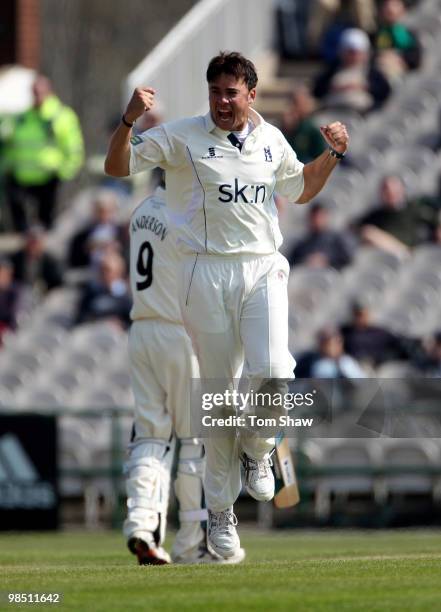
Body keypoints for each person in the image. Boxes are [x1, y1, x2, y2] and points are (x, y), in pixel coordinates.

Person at [105, 51, 349, 559]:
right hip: (204, 271)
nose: (221, 101)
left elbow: (300, 189)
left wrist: (333, 156)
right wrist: (128, 119)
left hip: (261, 266)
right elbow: (117, 166)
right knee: (217, 402)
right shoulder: (182, 136)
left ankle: (258, 452)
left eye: (230, 92)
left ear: (251, 95)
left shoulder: (271, 140)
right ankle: (221, 513)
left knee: (276, 371)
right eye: (214, 91)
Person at [124, 185, 244, 565]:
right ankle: (193, 543)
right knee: (197, 441)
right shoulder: (187, 216)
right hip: (179, 332)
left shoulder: (141, 212)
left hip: (142, 331)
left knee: (151, 436)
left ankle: (141, 525)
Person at [3, 74, 84, 232]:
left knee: (46, 223)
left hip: (49, 177)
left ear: (49, 92)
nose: (37, 97)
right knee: (19, 219)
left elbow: (74, 148)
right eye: (34, 93)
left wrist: (66, 172)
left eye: (40, 92)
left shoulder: (61, 116)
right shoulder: (23, 117)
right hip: (22, 176)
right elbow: (14, 145)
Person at [313, 28, 391, 114]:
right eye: (350, 52)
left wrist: (364, 87)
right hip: (332, 111)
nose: (354, 56)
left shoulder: (372, 72)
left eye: (357, 53)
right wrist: (333, 88)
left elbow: (384, 92)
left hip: (361, 114)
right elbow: (317, 90)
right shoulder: (332, 70)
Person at [288, 202, 355, 269]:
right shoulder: (302, 244)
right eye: (314, 217)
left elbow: (348, 260)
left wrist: (327, 260)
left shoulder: (337, 240)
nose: (317, 220)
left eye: (320, 216)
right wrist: (306, 261)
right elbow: (291, 264)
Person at [75, 251, 131, 328]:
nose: (104, 274)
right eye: (101, 270)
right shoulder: (91, 292)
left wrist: (120, 324)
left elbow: (132, 321)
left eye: (108, 270)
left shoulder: (127, 294)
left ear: (119, 272)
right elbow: (80, 319)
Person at [374, 0, 421, 83]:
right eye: (387, 6)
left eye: (395, 6)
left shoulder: (408, 33)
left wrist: (397, 57)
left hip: (401, 71)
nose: (390, 9)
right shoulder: (378, 33)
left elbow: (415, 58)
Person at [11, 225, 63, 296]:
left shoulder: (51, 261)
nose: (33, 245)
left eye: (36, 241)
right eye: (31, 241)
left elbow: (57, 283)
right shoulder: (15, 259)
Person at [281, 84, 326, 164]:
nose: (294, 107)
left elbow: (321, 156)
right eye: (293, 102)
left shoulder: (314, 126)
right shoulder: (286, 125)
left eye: (297, 103)